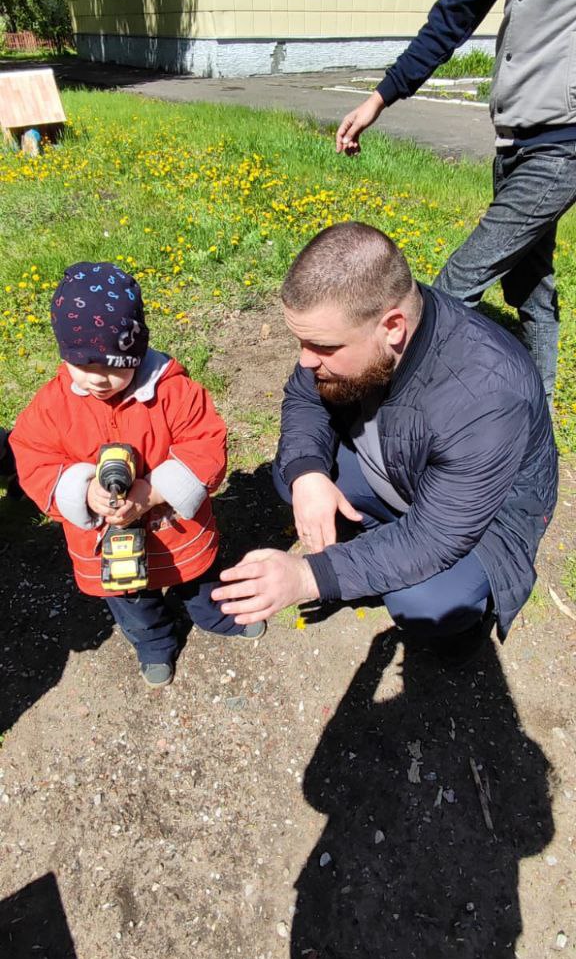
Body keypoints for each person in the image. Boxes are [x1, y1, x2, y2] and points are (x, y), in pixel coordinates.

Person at [212, 223, 557, 660]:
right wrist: (309, 475)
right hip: (403, 465)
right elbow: (304, 396)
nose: (305, 360)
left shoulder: (485, 396)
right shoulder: (367, 331)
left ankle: (463, 629)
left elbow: (435, 536)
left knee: (426, 602)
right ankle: (380, 548)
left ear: (393, 326)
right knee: (293, 475)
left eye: (322, 346)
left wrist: (307, 577)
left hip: (482, 520)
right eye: (301, 342)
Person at [335, 0, 576, 405]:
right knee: (530, 288)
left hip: (565, 138)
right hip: (514, 132)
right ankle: (535, 418)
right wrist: (382, 95)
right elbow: (460, 7)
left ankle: (406, 413)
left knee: (453, 287)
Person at [10, 262, 264, 689]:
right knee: (131, 600)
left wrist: (154, 490)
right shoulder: (54, 406)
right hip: (106, 544)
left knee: (198, 578)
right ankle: (154, 642)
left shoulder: (171, 392)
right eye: (81, 364)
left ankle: (216, 614)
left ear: (136, 351)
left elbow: (205, 443)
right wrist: (82, 490)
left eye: (113, 366)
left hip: (175, 531)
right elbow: (32, 456)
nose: (97, 379)